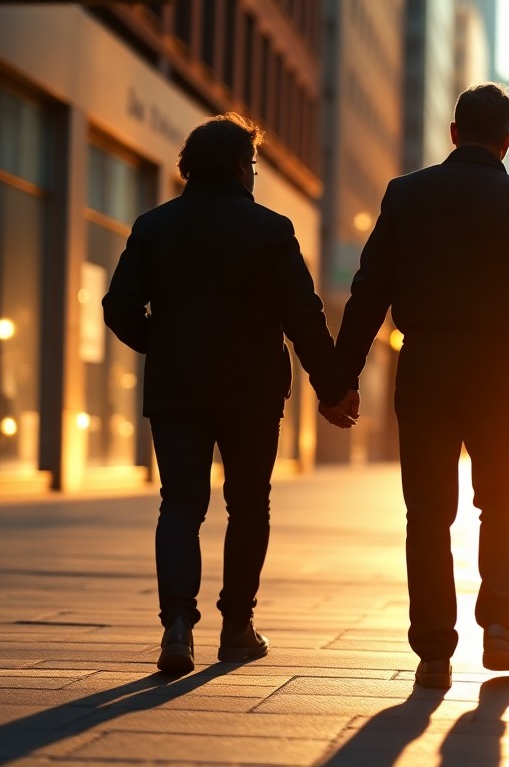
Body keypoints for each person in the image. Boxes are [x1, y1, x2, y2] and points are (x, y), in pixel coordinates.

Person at [334, 84, 509, 689]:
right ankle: (498, 624)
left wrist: (341, 376)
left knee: (428, 511)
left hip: (427, 365)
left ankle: (435, 648)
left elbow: (370, 292)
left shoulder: (407, 195)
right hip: (500, 372)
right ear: (507, 141)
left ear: (452, 131)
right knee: (501, 499)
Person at [103, 113, 358, 675]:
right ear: (243, 168)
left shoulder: (155, 226)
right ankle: (237, 627)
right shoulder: (271, 229)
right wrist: (334, 387)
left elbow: (118, 308)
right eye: (254, 165)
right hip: (252, 390)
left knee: (180, 504)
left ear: (189, 167)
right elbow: (304, 317)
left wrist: (163, 343)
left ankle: (176, 627)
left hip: (177, 389)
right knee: (247, 506)